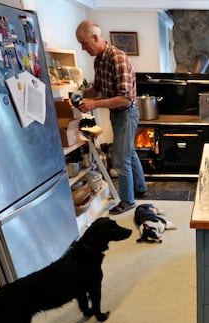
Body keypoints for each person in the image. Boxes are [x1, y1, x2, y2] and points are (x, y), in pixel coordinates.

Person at [75, 20, 147, 215]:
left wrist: (94, 104)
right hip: (116, 114)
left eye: (84, 43)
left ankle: (127, 201)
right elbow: (97, 89)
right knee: (129, 153)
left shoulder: (118, 58)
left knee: (120, 158)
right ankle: (140, 189)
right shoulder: (99, 60)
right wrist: (79, 94)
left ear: (96, 38)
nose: (83, 48)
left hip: (126, 113)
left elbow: (125, 99)